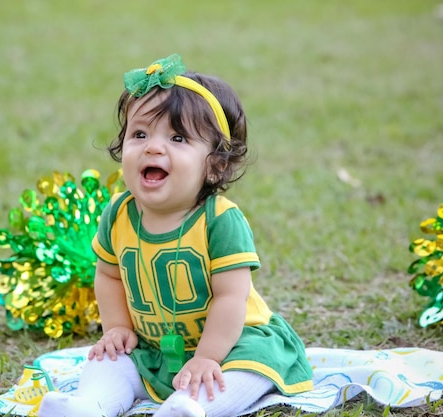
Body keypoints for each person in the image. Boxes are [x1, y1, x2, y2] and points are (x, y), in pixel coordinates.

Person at [38, 54, 313, 417]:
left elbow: (231, 297)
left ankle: (187, 408)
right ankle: (87, 407)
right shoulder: (119, 214)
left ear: (215, 166)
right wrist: (118, 328)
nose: (152, 147)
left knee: (242, 372)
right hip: (154, 346)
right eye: (139, 134)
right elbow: (108, 274)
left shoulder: (218, 220)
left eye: (178, 137)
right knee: (110, 361)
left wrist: (206, 357)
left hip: (232, 343)